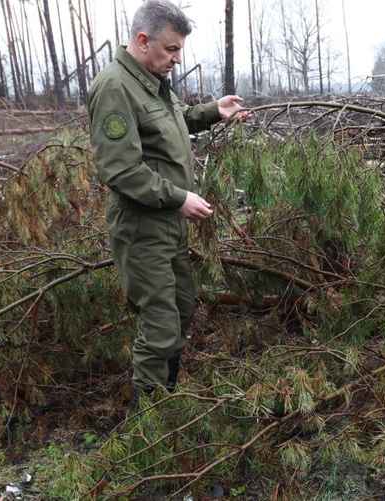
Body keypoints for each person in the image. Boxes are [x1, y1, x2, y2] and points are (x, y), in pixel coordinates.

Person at [87, 0, 247, 401]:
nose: (178, 58)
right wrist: (178, 198)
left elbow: (177, 120)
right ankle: (150, 428)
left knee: (182, 306)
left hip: (168, 224)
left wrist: (215, 111)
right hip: (143, 228)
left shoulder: (152, 82)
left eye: (179, 50)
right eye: (171, 49)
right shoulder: (115, 87)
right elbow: (121, 170)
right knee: (159, 326)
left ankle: (167, 398)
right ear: (143, 41)